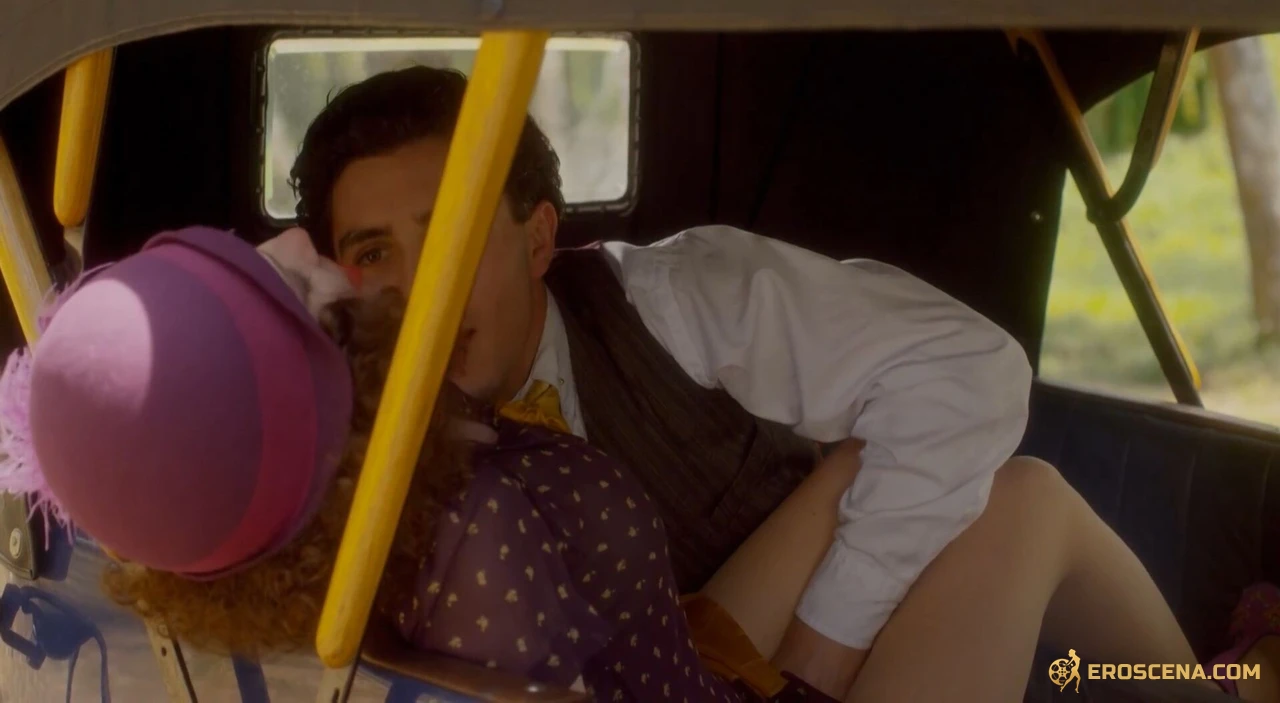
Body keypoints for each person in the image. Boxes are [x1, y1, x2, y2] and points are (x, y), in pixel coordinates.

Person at [284, 64, 1263, 701]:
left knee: (1025, 498)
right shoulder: (329, 427)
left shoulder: (680, 297)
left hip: (807, 645)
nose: (418, 288)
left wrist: (818, 653)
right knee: (1026, 500)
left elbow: (967, 372)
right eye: (373, 253)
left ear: (537, 238)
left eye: (452, 233)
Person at [0, 225, 1273, 703]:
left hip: (682, 654)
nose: (296, 243)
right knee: (1028, 498)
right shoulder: (481, 537)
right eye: (293, 290)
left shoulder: (281, 534)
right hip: (695, 686)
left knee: (894, 464)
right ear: (311, 392)